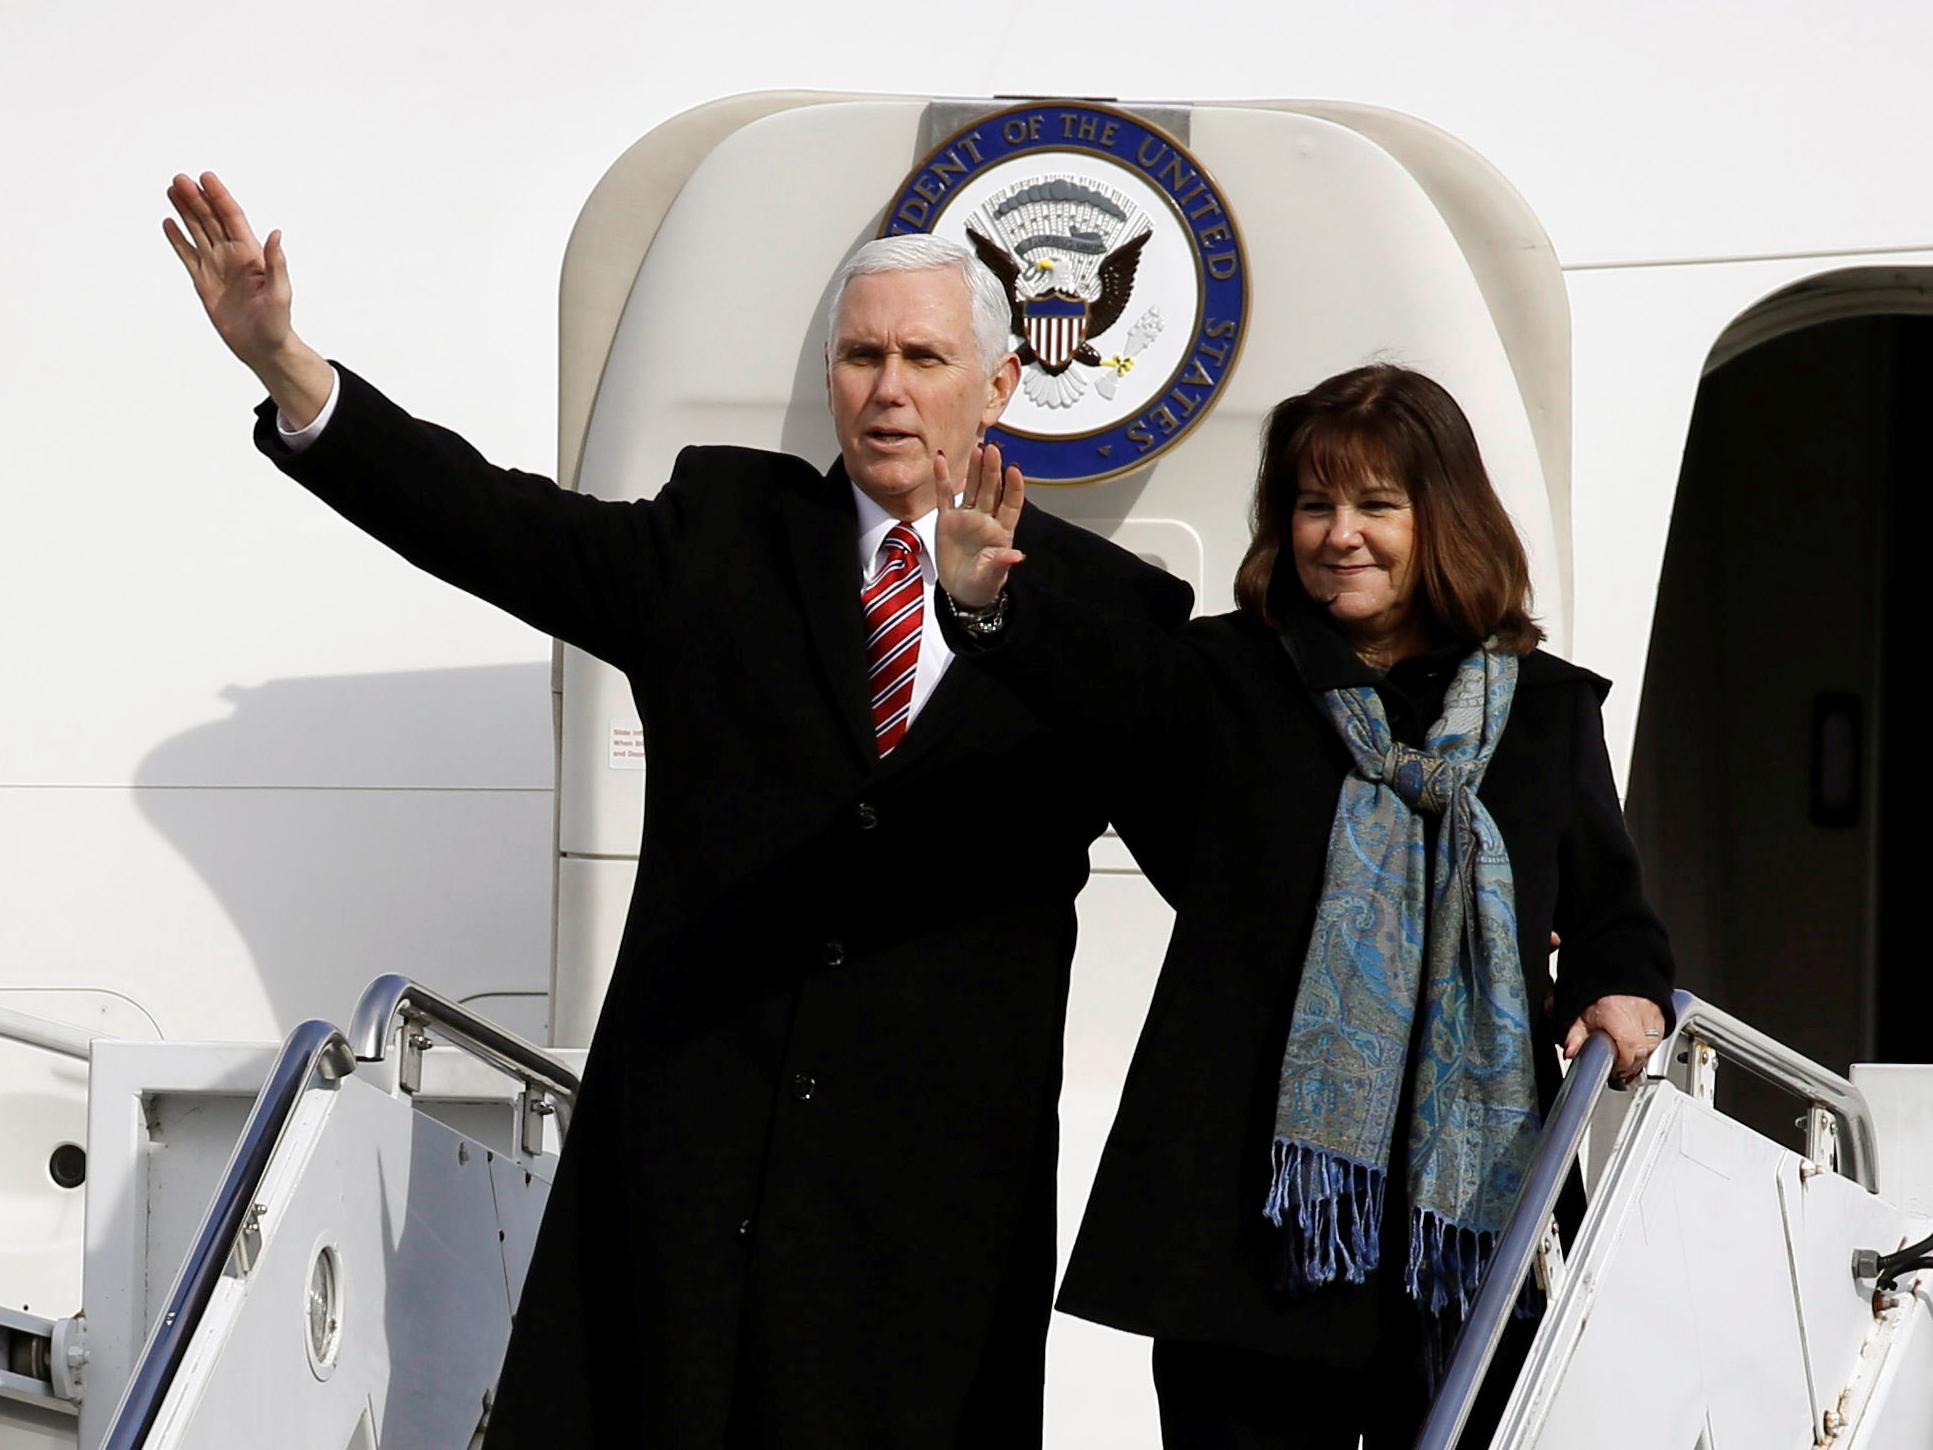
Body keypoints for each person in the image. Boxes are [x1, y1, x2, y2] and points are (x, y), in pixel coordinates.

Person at [162, 171, 1192, 1448]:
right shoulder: (724, 535)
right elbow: (495, 526)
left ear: (996, 387)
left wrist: (995, 619)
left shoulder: (1104, 607)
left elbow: (1190, 806)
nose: (887, 387)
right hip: (685, 1188)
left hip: (922, 1229)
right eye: (862, 355)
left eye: (923, 357)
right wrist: (291, 369)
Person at [934, 364, 1675, 1448]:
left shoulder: (1546, 712)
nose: (1340, 534)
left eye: (1377, 505)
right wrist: (987, 604)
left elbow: (1613, 911)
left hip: (1462, 1238)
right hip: (1257, 1237)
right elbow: (1095, 678)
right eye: (1313, 504)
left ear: (1444, 518)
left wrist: (1624, 992)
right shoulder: (1230, 679)